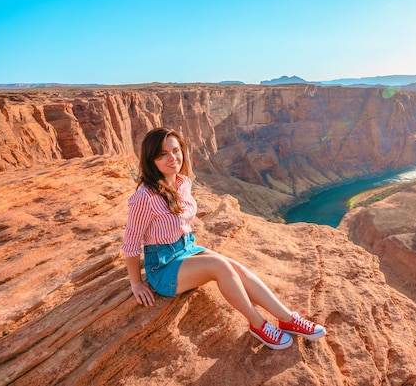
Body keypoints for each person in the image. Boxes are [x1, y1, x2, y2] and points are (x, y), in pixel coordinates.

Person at [122, 127, 326, 350]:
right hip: (162, 267)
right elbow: (131, 244)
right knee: (220, 266)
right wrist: (136, 282)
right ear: (151, 159)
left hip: (186, 248)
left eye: (176, 150)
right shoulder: (143, 197)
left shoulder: (182, 183)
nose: (173, 158)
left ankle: (287, 319)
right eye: (162, 154)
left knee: (236, 268)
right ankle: (258, 325)